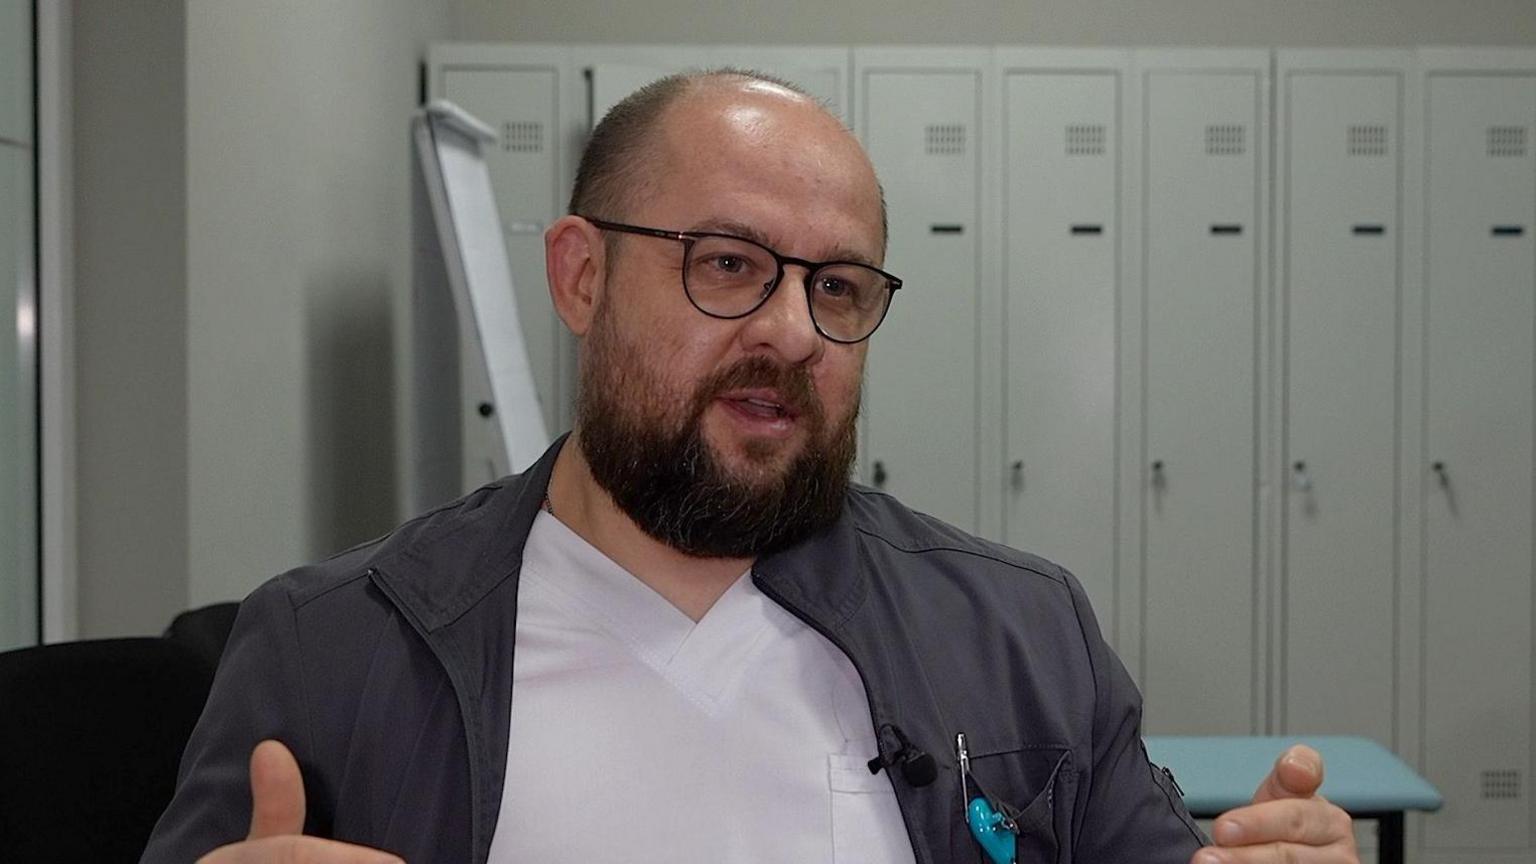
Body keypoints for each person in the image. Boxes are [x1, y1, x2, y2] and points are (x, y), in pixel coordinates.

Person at [143, 70, 1359, 864]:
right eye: (727, 263)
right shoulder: (330, 650)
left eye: (837, 286)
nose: (789, 329)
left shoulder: (1022, 634)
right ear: (579, 276)